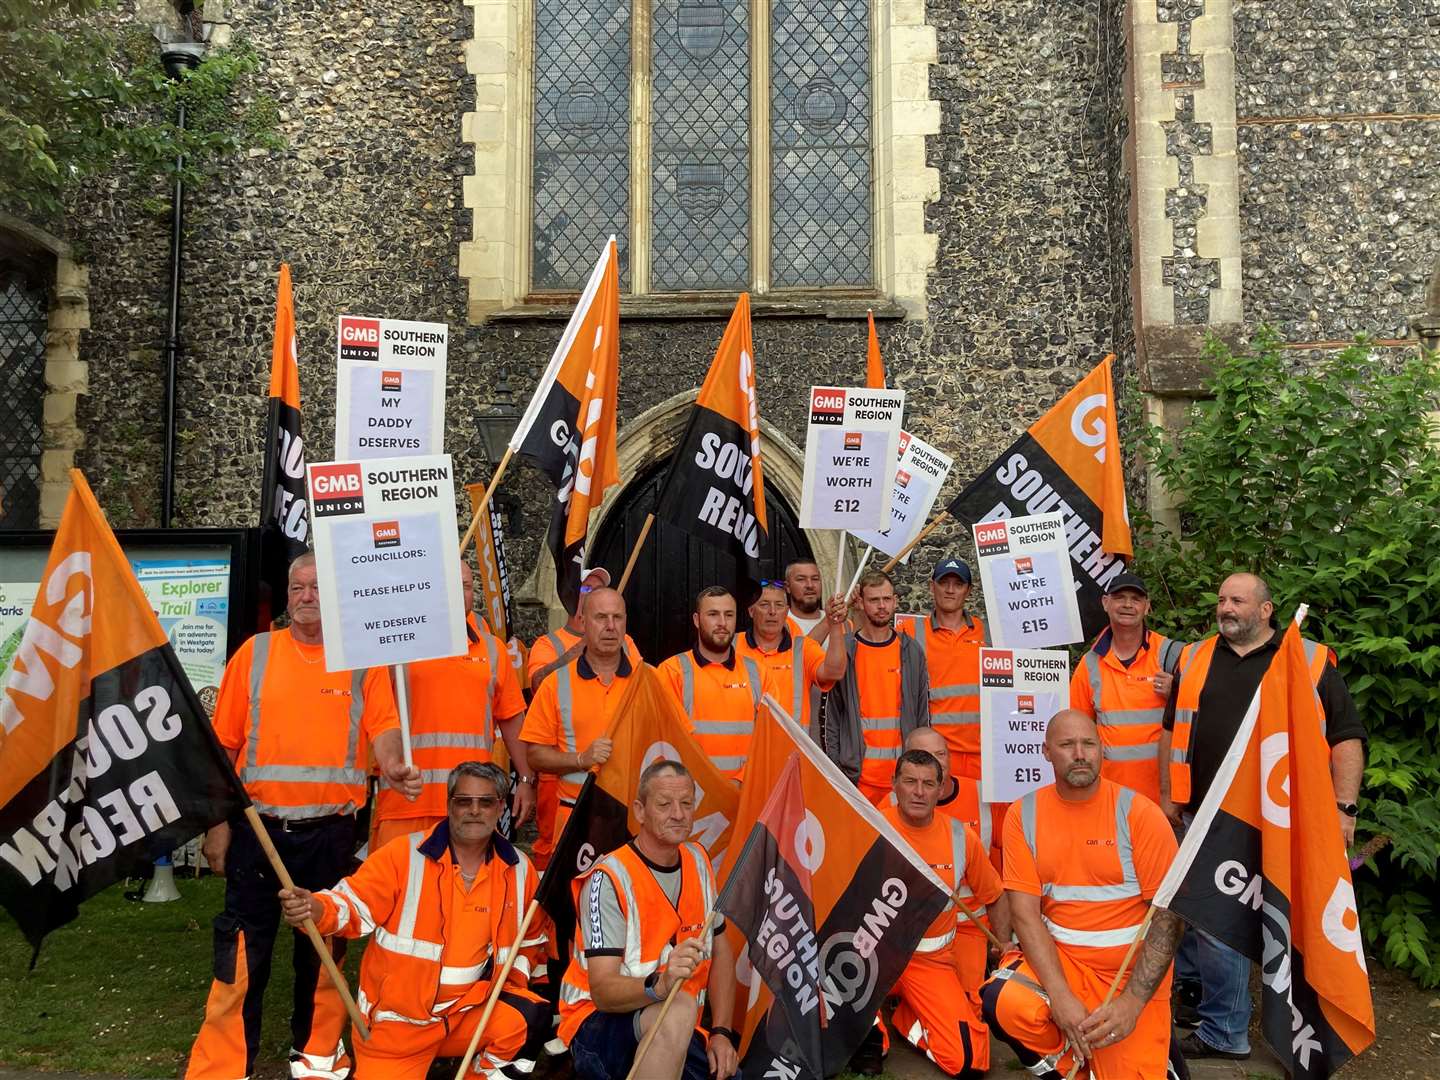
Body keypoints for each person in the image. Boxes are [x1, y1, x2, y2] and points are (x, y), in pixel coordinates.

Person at [186, 552, 422, 1080]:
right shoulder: (254, 655)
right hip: (258, 834)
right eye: (297, 587)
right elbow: (222, 751)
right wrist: (217, 825)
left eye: (317, 587)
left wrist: (392, 765)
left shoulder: (361, 662)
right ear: (287, 595)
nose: (307, 596)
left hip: (330, 836)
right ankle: (227, 1065)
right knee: (243, 953)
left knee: (323, 949)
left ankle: (315, 1055)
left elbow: (383, 730)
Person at [1158, 572, 1365, 1060]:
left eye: (1237, 600)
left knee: (1286, 924)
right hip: (1208, 818)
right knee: (1214, 923)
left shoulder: (1308, 660)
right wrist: (1169, 797)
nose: (1225, 608)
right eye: (1221, 600)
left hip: (1282, 822)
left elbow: (1346, 738)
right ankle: (1223, 1029)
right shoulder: (1194, 657)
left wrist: (1344, 808)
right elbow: (1170, 730)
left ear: (1267, 610)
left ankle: (1306, 1026)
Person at [278, 763, 549, 1078]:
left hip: (470, 1013)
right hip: (398, 1027)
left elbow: (530, 938)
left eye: (485, 802)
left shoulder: (519, 869)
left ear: (500, 806)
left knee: (529, 1017)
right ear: (449, 804)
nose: (474, 810)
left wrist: (511, 986)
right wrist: (316, 908)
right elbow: (351, 903)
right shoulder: (402, 856)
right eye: (464, 801)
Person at [981, 710, 1184, 1079]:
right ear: (1045, 752)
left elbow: (1169, 920)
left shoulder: (1140, 814)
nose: (1079, 753)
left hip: (1127, 977)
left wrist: (1132, 1004)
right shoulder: (1022, 815)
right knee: (1004, 1000)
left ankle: (1155, 1052)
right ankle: (1072, 1068)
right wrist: (1059, 996)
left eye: (1088, 744)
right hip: (1066, 966)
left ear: (1101, 750)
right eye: (1067, 744)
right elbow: (1025, 915)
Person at [558, 760, 740, 1080]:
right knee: (679, 1006)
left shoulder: (698, 861)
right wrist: (662, 984)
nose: (678, 814)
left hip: (674, 1028)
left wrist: (722, 1032)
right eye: (664, 804)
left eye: (686, 803)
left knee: (728, 1073)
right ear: (640, 811)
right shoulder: (610, 879)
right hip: (597, 1025)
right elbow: (602, 991)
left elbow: (722, 951)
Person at [373, 562, 534, 850]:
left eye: (466, 586)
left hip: (471, 806)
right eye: (451, 585)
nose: (460, 593)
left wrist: (525, 779)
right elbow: (373, 717)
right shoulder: (396, 647)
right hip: (408, 801)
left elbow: (512, 719)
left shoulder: (493, 650)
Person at [878, 749, 1010, 1079]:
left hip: (931, 962)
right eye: (909, 781)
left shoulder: (960, 837)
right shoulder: (870, 826)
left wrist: (1004, 944)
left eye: (928, 784)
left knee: (969, 1061)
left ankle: (908, 1019)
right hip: (874, 959)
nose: (919, 792)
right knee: (853, 1041)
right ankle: (873, 1030)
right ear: (894, 785)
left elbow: (995, 895)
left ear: (941, 789)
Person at [526, 566, 641, 872]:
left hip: (630, 816)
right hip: (573, 816)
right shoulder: (556, 682)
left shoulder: (646, 681)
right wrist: (581, 759)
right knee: (572, 910)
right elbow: (535, 755)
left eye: (617, 618)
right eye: (601, 618)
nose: (610, 626)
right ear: (584, 621)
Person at [902, 727, 1006, 996]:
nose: (934, 763)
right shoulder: (889, 807)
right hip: (914, 931)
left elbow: (999, 883)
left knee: (969, 1003)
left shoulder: (984, 794)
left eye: (940, 754)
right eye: (924, 756)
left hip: (971, 927)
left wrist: (1004, 942)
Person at [1068, 572, 1182, 805]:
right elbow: (1076, 732)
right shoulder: (1089, 665)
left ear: (1147, 606)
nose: (1128, 605)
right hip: (1109, 799)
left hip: (1165, 800)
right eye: (1120, 597)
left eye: (1136, 599)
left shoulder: (1172, 654)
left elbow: (1202, 714)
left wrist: (1178, 693)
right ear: (1105, 603)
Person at [823, 570, 929, 805]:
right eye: (874, 600)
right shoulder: (847, 650)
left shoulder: (911, 651)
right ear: (860, 602)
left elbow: (923, 716)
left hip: (903, 780)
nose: (882, 606)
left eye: (887, 599)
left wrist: (920, 770)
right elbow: (832, 718)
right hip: (857, 779)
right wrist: (837, 770)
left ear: (895, 601)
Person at [657, 587, 766, 782]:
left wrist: (741, 781)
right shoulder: (672, 672)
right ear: (697, 620)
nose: (722, 623)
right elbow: (666, 742)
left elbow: (771, 739)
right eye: (713, 614)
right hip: (692, 799)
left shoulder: (758, 673)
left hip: (746, 796)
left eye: (729, 615)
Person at [898, 556, 989, 780]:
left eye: (958, 584)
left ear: (968, 590)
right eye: (943, 583)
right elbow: (873, 646)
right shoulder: (909, 630)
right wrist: (858, 612)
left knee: (983, 815)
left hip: (984, 754)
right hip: (935, 754)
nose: (950, 590)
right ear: (932, 586)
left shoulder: (989, 633)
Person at [735, 578, 847, 737]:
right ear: (751, 611)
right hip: (744, 752)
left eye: (779, 605)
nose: (772, 611)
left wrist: (835, 626)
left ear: (787, 612)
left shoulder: (803, 648)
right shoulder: (731, 647)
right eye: (764, 604)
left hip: (790, 752)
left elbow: (834, 672)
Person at [782, 558, 826, 638]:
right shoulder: (779, 624)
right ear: (787, 587)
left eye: (815, 579)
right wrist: (829, 620)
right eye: (801, 579)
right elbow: (803, 649)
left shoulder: (842, 622)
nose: (810, 585)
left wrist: (856, 613)